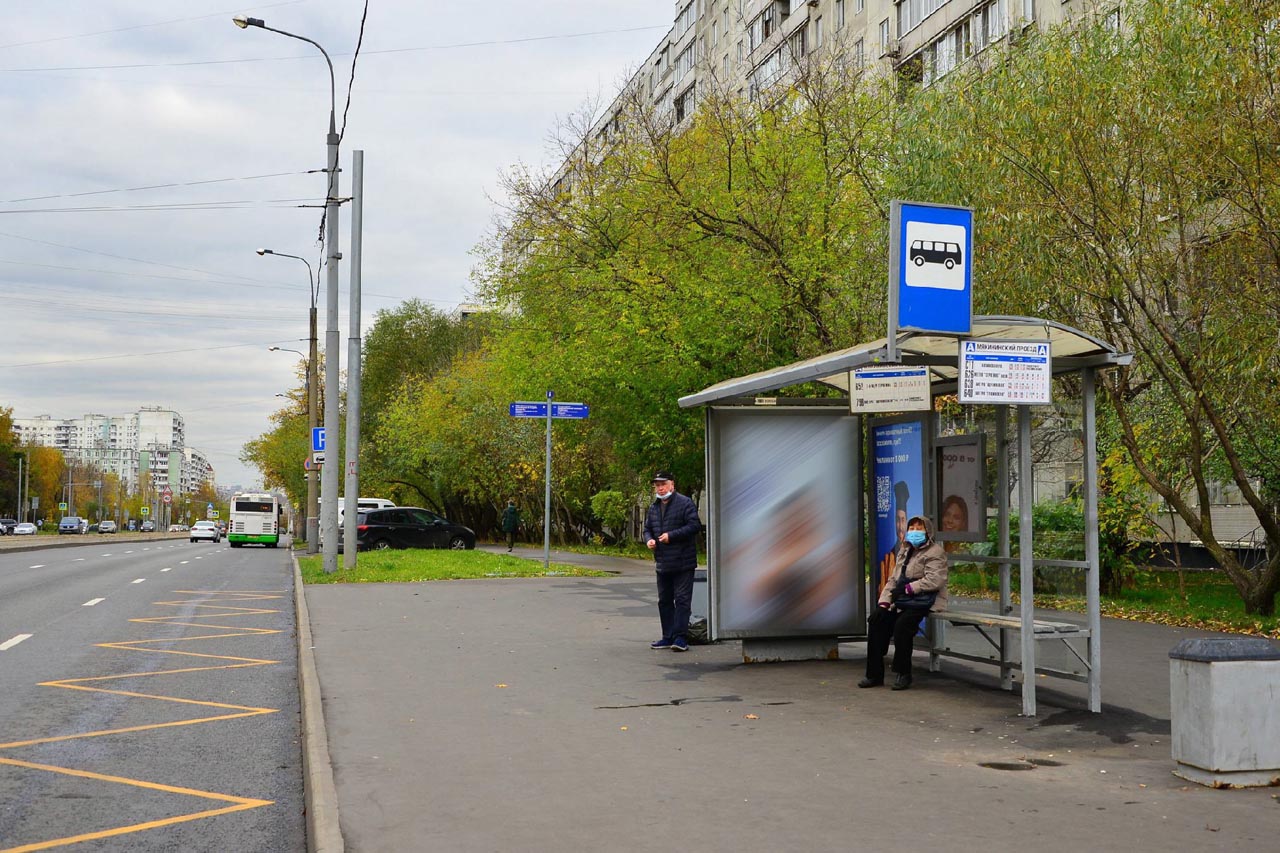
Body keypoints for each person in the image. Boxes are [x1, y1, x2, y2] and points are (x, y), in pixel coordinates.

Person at [860, 515, 949, 691]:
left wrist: (909, 588)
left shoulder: (935, 552)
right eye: (912, 528)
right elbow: (894, 579)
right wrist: (884, 603)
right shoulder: (905, 550)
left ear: (928, 531)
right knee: (877, 621)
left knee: (902, 626)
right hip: (904, 599)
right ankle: (874, 674)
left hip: (924, 600)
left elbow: (935, 580)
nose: (914, 532)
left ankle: (903, 673)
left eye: (919, 528)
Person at [643, 471, 701, 652]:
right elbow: (647, 529)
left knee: (682, 600)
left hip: (683, 562)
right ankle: (667, 637)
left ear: (672, 485)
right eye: (657, 485)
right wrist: (649, 540)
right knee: (664, 601)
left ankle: (680, 638)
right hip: (662, 562)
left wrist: (671, 536)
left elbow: (694, 526)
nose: (660, 488)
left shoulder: (685, 503)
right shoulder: (654, 507)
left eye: (663, 484)